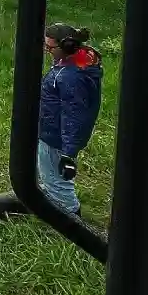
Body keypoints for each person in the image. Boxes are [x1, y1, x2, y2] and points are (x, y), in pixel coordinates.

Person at [38, 22, 104, 217]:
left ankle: (71, 221)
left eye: (50, 48)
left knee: (58, 184)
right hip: (51, 128)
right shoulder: (74, 61)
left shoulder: (71, 77)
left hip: (56, 136)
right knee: (48, 174)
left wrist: (68, 153)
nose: (47, 51)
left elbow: (74, 116)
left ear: (67, 47)